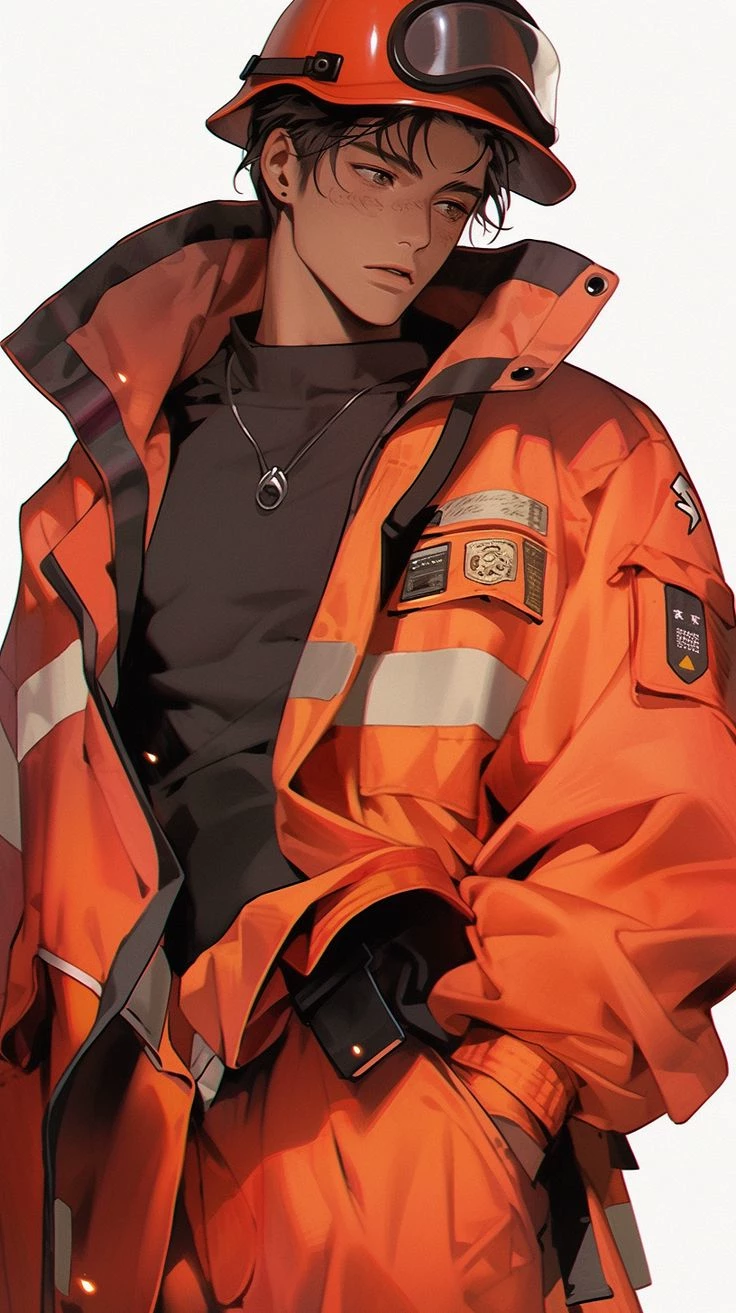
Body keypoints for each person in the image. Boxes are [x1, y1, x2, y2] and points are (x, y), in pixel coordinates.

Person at [1, 1, 734, 1310]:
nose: (416, 230)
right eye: (383, 176)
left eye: (453, 199)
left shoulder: (574, 454)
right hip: (120, 1172)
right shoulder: (98, 485)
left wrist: (502, 1104)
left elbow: (667, 813)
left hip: (400, 1155)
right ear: (282, 163)